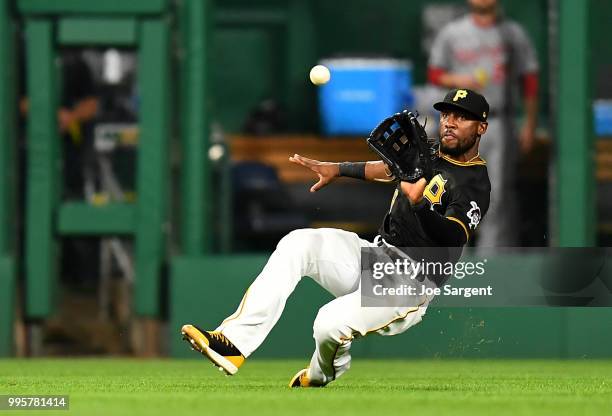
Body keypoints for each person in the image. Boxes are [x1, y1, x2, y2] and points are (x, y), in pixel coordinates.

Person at [181, 89, 491, 387]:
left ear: (481, 127)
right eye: (446, 114)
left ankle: (322, 373)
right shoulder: (430, 152)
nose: (450, 122)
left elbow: (453, 235)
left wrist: (419, 204)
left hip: (411, 282)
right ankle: (232, 344)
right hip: (376, 257)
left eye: (462, 117)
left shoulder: (475, 182)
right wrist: (338, 169)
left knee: (328, 323)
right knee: (299, 244)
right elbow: (387, 169)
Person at [428, 0, 538, 247]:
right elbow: (434, 74)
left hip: (498, 121)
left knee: (497, 196)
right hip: (457, 124)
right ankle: (452, 262)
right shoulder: (453, 32)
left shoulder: (512, 33)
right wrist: (460, 79)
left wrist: (529, 123)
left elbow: (529, 79)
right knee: (450, 190)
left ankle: (493, 262)